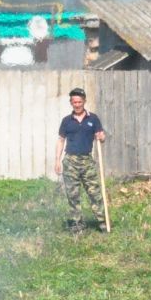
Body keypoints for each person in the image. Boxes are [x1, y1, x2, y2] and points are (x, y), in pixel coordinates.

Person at [54, 86, 108, 232]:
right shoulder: (66, 121)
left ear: (84, 101)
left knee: (94, 192)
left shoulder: (93, 118)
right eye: (74, 102)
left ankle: (103, 222)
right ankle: (78, 224)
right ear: (71, 103)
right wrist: (57, 160)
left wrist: (101, 137)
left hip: (87, 161)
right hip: (70, 161)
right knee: (73, 194)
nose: (77, 105)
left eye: (79, 102)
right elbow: (60, 140)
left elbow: (101, 136)